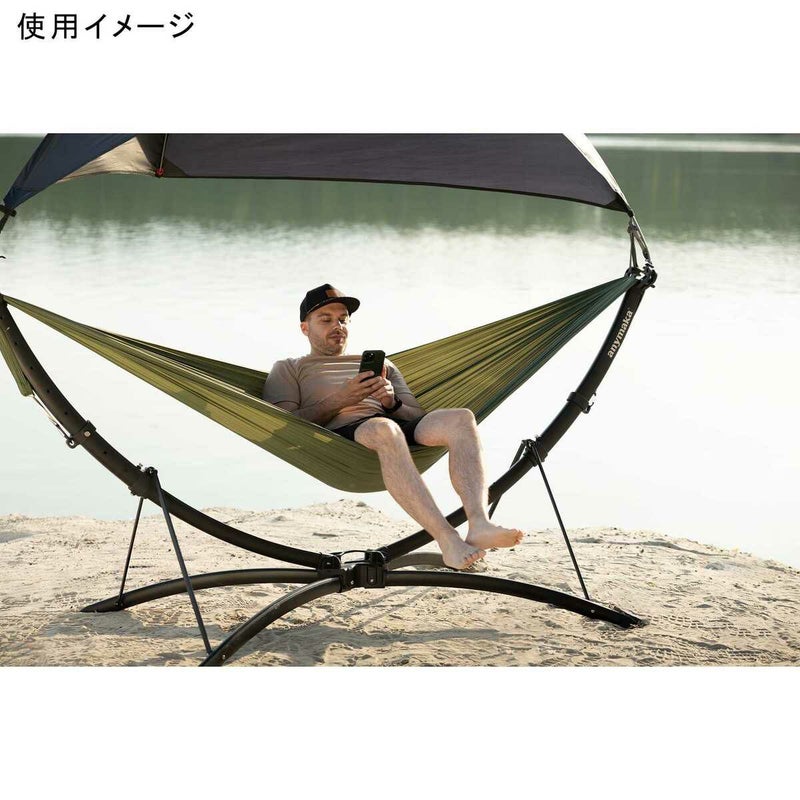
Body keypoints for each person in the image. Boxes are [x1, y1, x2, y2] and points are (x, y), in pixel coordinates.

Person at [263, 284, 524, 570]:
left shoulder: (383, 364)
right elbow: (284, 422)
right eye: (325, 319)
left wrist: (391, 401)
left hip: (393, 423)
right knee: (384, 429)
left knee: (460, 418)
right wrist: (341, 399)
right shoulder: (289, 367)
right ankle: (447, 539)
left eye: (343, 319)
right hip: (343, 436)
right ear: (305, 328)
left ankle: (479, 523)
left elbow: (416, 415)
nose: (337, 326)